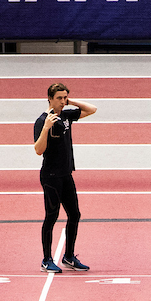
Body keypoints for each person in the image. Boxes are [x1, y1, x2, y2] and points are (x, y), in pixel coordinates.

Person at [33, 82, 97, 273]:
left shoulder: (67, 116)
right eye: (59, 98)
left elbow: (92, 109)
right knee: (51, 216)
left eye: (64, 98)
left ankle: (68, 256)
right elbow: (38, 150)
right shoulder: (42, 121)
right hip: (50, 176)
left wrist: (70, 102)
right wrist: (46, 128)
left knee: (74, 214)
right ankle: (46, 260)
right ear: (49, 99)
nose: (62, 101)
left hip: (66, 174)